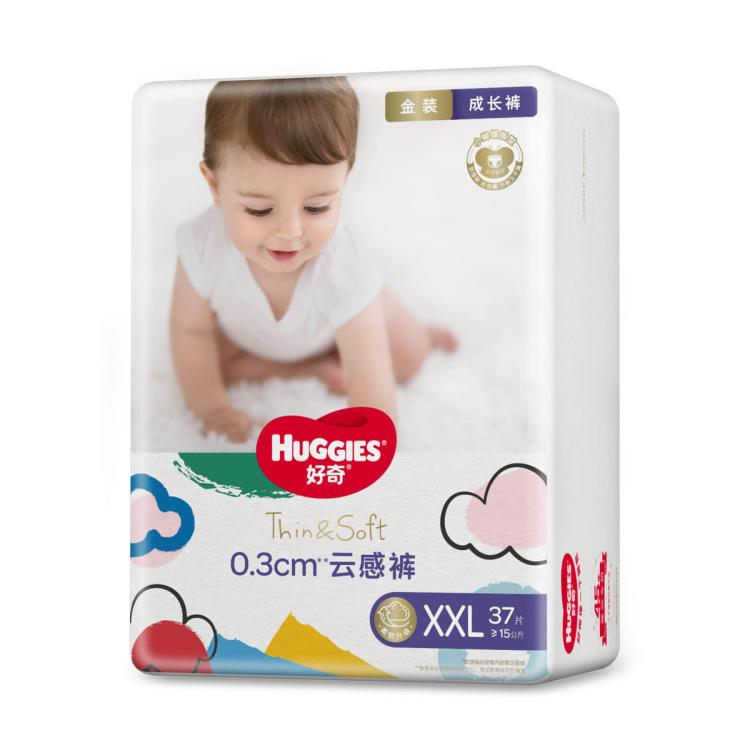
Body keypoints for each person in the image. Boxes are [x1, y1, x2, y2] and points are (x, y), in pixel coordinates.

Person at [170, 77, 456, 443]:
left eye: (317, 207)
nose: (290, 232)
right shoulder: (200, 245)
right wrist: (213, 410)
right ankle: (314, 368)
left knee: (406, 355)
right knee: (202, 364)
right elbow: (190, 331)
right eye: (259, 210)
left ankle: (416, 332)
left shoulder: (343, 264)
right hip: (250, 335)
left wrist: (366, 445)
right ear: (215, 186)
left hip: (342, 321)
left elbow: (369, 373)